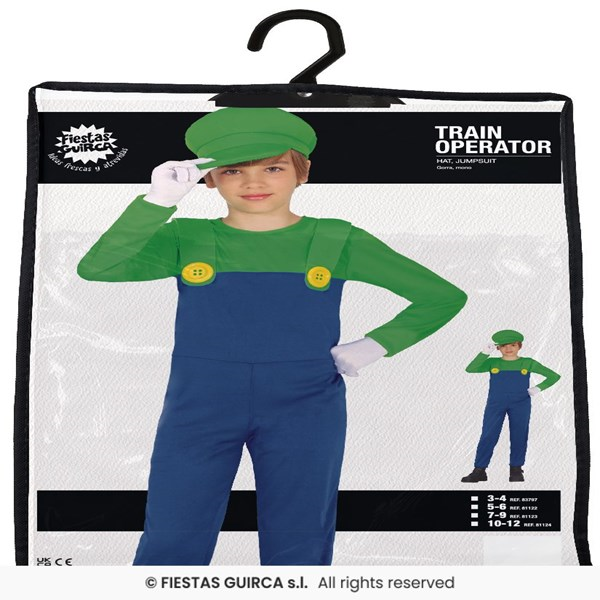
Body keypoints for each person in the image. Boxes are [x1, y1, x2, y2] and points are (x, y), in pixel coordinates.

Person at [77, 106, 468, 565]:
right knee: (173, 532)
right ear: (209, 179)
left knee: (300, 538)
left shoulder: (335, 238)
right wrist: (157, 202)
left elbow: (441, 296)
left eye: (273, 168)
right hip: (199, 403)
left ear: (302, 172)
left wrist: (378, 343)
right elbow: (97, 268)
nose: (253, 182)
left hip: (305, 403)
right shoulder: (185, 237)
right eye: (233, 170)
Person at [461, 329, 560, 483]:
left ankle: (516, 470)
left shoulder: (527, 362)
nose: (508, 348)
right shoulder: (492, 363)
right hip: (495, 404)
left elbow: (554, 376)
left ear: (519, 346)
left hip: (521, 404)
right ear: (498, 348)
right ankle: (479, 470)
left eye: (513, 345)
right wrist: (484, 353)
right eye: (504, 345)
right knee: (488, 435)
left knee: (519, 435)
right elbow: (471, 369)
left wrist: (538, 388)